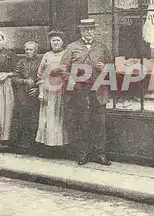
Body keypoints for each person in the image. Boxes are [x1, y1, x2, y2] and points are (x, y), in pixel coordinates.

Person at [61, 18, 112, 166]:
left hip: (99, 90)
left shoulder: (102, 47)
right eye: (86, 29)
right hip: (80, 90)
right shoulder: (72, 47)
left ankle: (100, 154)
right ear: (81, 31)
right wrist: (72, 81)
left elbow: (111, 66)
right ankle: (83, 154)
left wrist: (105, 67)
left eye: (91, 29)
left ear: (95, 31)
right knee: (82, 122)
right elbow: (63, 68)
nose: (89, 32)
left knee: (99, 123)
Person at [35, 30, 69, 151]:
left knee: (59, 117)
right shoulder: (47, 55)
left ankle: (60, 148)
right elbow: (40, 75)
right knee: (47, 118)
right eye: (53, 40)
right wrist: (40, 91)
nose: (55, 43)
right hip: (48, 91)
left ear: (62, 42)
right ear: (50, 42)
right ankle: (47, 147)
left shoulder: (66, 54)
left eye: (58, 40)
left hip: (61, 90)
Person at [13, 41, 41, 155]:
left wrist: (38, 89)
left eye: (31, 49)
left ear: (36, 51)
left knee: (34, 120)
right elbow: (14, 77)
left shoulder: (40, 62)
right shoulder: (21, 62)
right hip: (22, 95)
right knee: (23, 119)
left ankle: (34, 146)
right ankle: (22, 146)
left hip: (35, 95)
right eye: (27, 50)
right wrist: (24, 81)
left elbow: (44, 77)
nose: (28, 52)